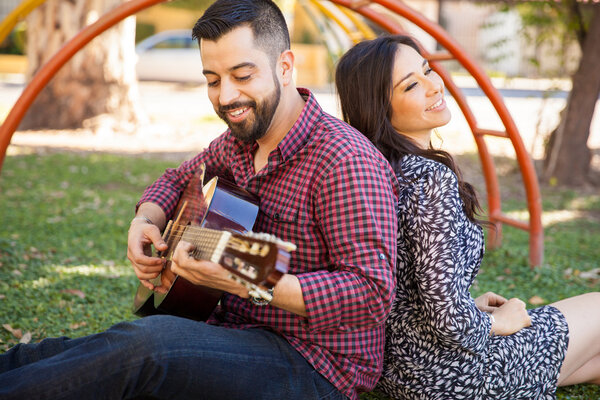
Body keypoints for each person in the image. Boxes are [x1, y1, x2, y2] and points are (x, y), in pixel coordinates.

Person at [0, 1, 399, 399]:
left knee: (147, 348)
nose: (226, 96)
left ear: (285, 66)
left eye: (242, 75)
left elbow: (370, 293)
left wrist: (250, 282)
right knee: (81, 349)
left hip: (315, 365)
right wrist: (146, 221)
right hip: (229, 331)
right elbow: (177, 178)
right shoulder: (239, 142)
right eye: (213, 79)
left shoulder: (345, 160)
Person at [335, 34, 600, 399]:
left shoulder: (374, 171)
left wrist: (467, 305)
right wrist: (495, 322)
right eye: (411, 85)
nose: (433, 85)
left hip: (403, 371)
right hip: (455, 373)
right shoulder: (430, 178)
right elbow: (447, 318)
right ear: (378, 107)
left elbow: (404, 291)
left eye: (427, 70)